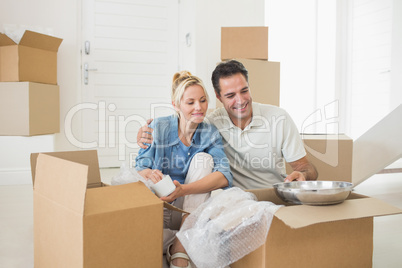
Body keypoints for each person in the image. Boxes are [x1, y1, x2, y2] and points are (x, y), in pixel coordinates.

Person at [138, 60, 317, 189]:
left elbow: (306, 168)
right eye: (231, 96)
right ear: (218, 97)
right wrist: (146, 133)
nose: (240, 101)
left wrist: (303, 175)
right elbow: (185, 117)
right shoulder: (211, 123)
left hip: (272, 195)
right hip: (236, 199)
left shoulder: (279, 118)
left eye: (244, 91)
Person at [135, 71, 233, 268]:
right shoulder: (159, 127)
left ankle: (179, 246)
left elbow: (224, 176)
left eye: (203, 100)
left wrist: (184, 190)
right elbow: (140, 167)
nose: (199, 107)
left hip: (190, 211)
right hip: (160, 206)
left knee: (203, 160)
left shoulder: (209, 132)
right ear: (176, 104)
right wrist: (150, 174)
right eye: (190, 102)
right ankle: (177, 241)